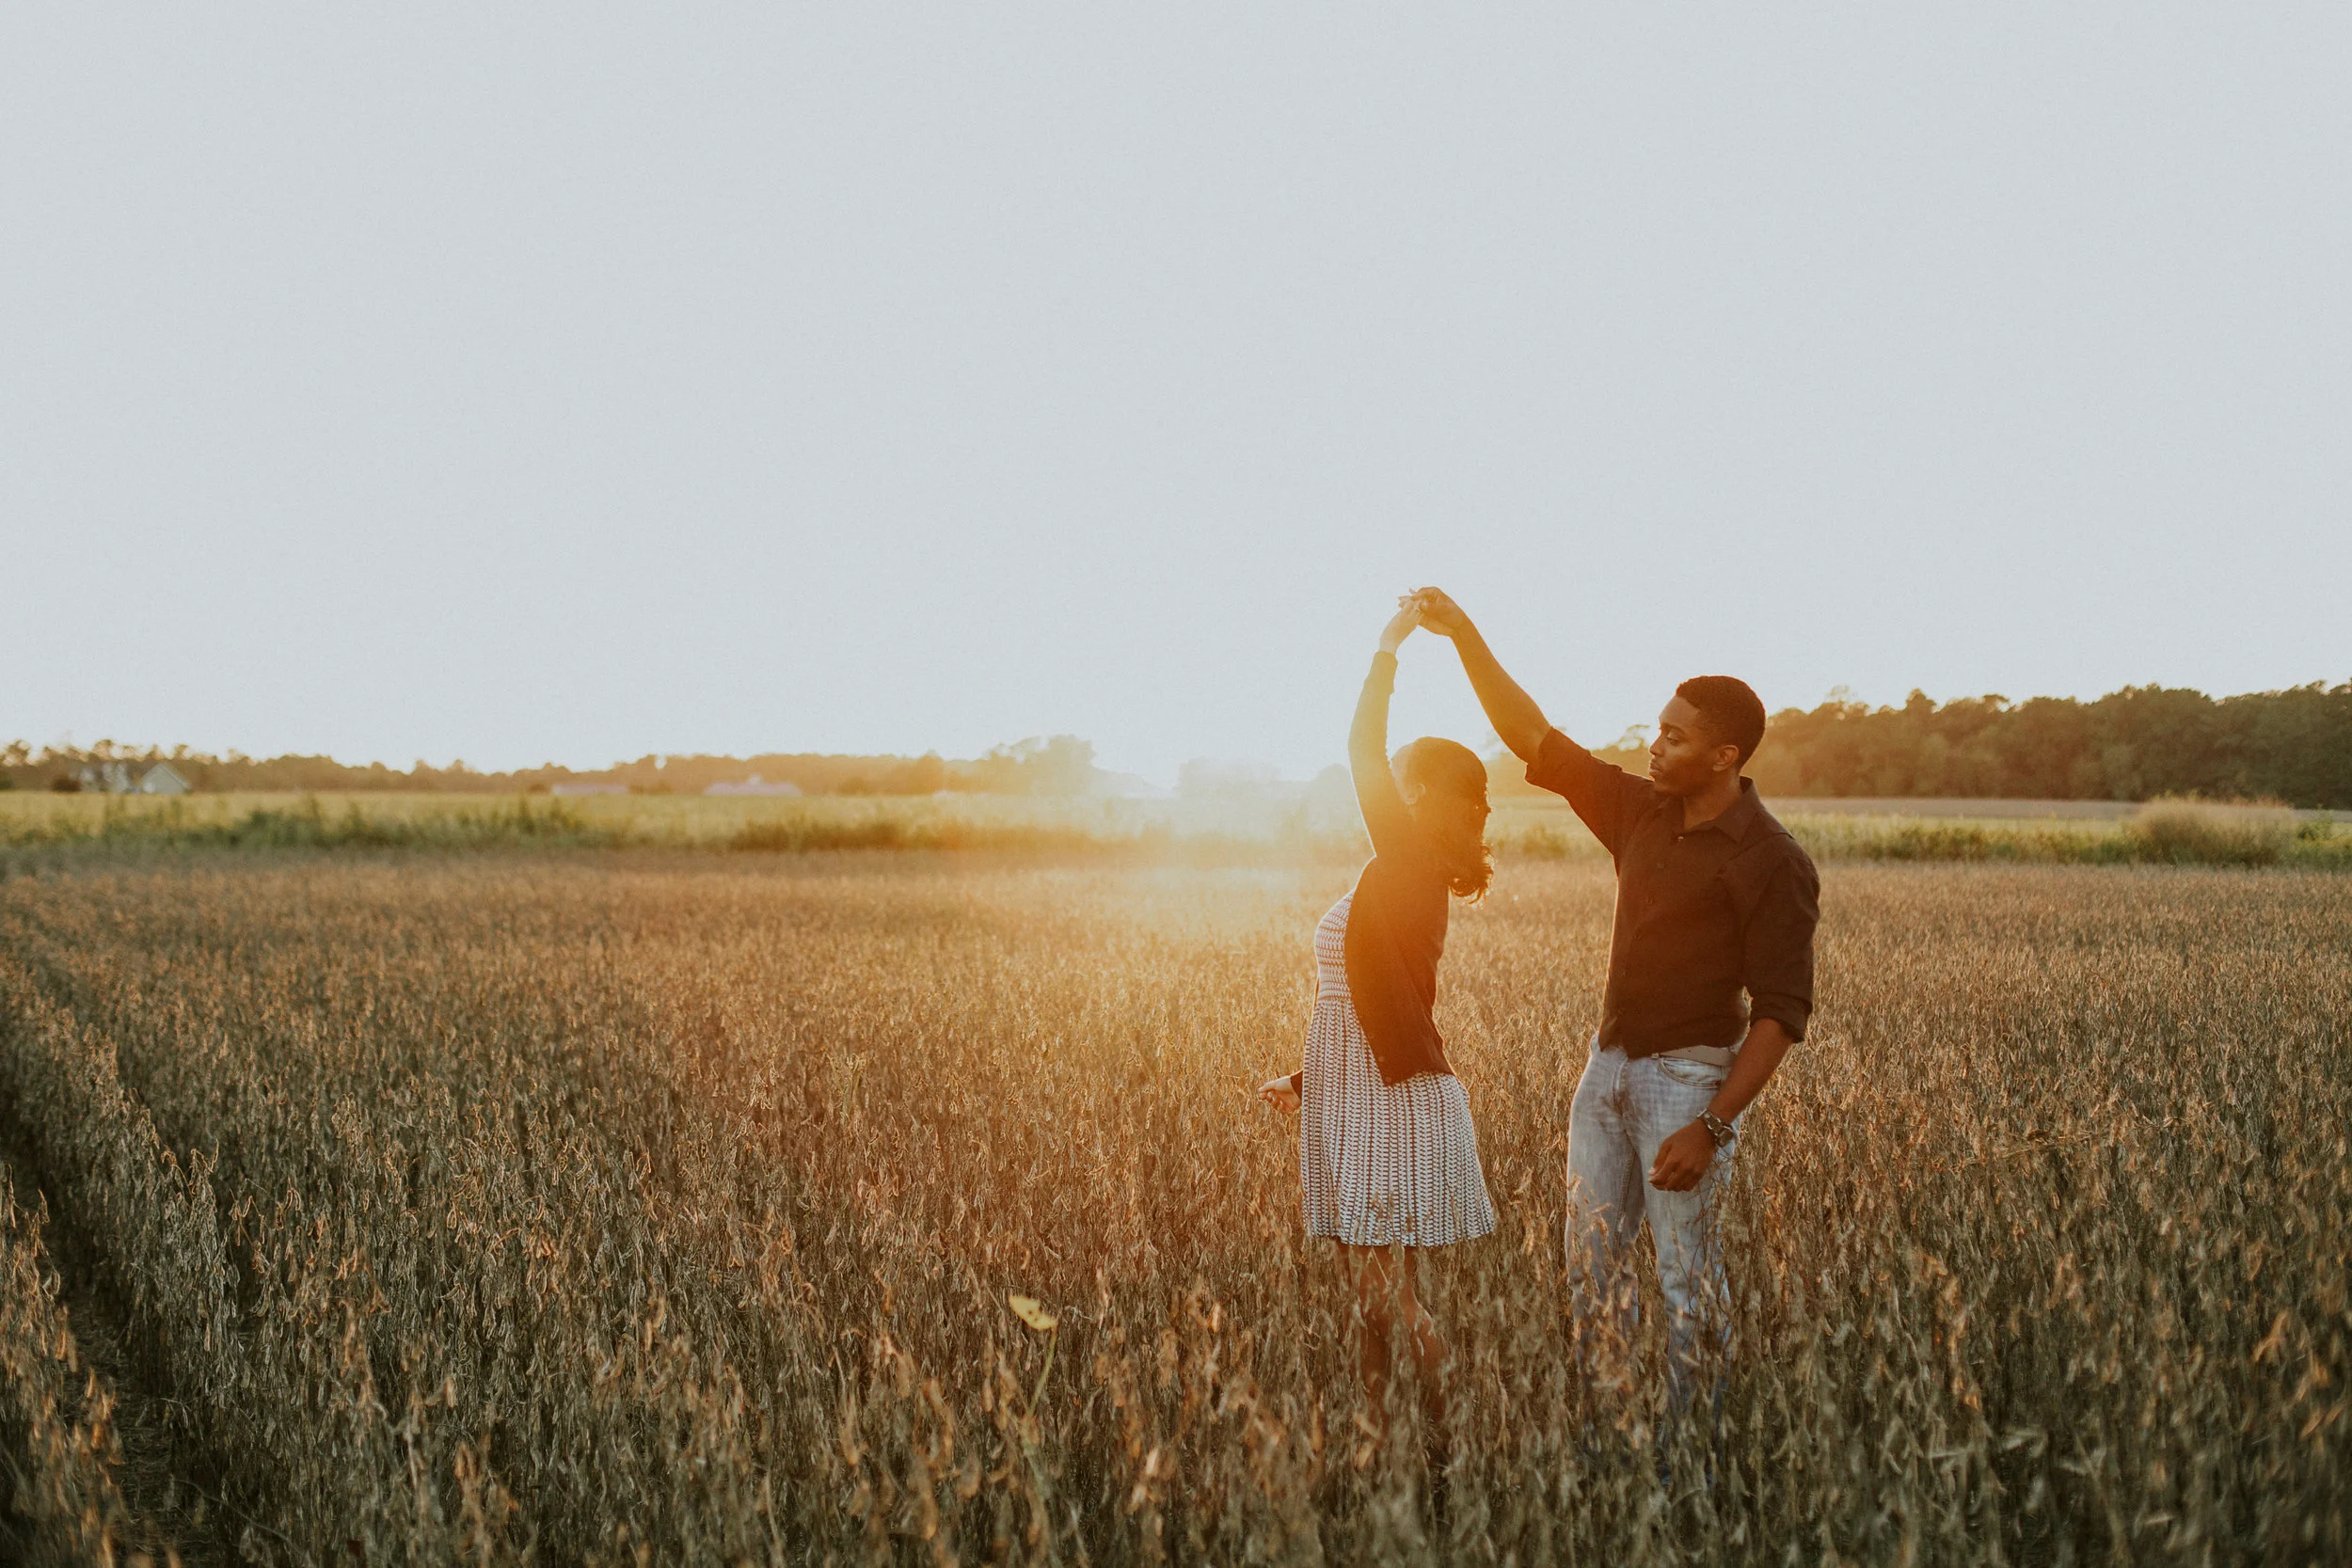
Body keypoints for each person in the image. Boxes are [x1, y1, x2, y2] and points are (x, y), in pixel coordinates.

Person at [1406, 586, 1820, 1420]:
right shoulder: (1640, 810)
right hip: (1606, 1075)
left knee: (1687, 1281)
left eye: (1674, 736)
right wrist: (1462, 636)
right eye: (1657, 728)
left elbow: (1780, 1013)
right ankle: (1607, 1443)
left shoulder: (1772, 859)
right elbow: (1533, 736)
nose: (1654, 745)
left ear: (1724, 755)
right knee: (1588, 1273)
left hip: (1688, 1087)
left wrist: (1712, 1125)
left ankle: (1691, 1470)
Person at [1260, 603, 1498, 1505]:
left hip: (1392, 1105)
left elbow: (1361, 748)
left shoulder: (1405, 857)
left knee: (1386, 1299)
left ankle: (1442, 1460)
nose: (1387, 787)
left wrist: (1390, 646)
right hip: (1362, 1094)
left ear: (1425, 796)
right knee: (1371, 1301)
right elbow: (1363, 1003)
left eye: (1404, 779)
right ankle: (1373, 1450)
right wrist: (1304, 1076)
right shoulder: (1401, 872)